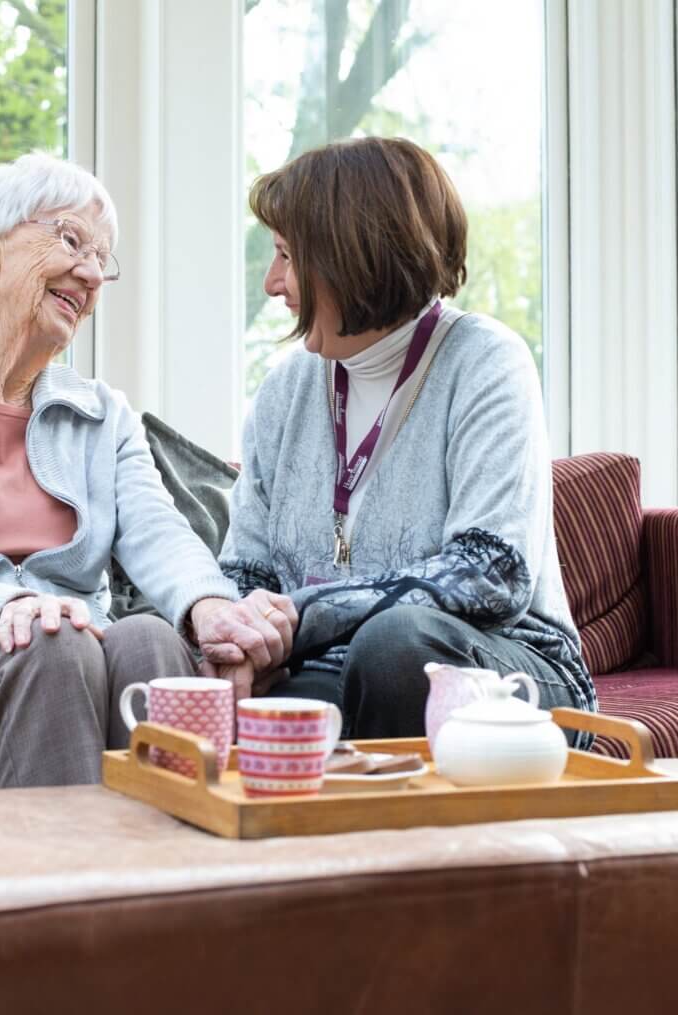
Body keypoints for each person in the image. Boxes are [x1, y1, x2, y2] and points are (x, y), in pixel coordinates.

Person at [0, 152, 295, 787]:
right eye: (71, 239)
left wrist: (212, 608)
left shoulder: (104, 415)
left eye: (102, 260)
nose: (90, 272)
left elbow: (158, 533)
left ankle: (170, 879)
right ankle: (61, 880)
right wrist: (11, 610)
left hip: (70, 654)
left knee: (150, 641)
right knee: (51, 641)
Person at [201, 137, 596, 745]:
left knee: (396, 647)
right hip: (328, 668)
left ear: (350, 257)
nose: (272, 283)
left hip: (509, 669)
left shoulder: (486, 361)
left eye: (286, 255)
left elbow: (491, 575)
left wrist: (301, 615)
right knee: (221, 677)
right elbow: (246, 570)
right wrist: (245, 632)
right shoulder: (285, 389)